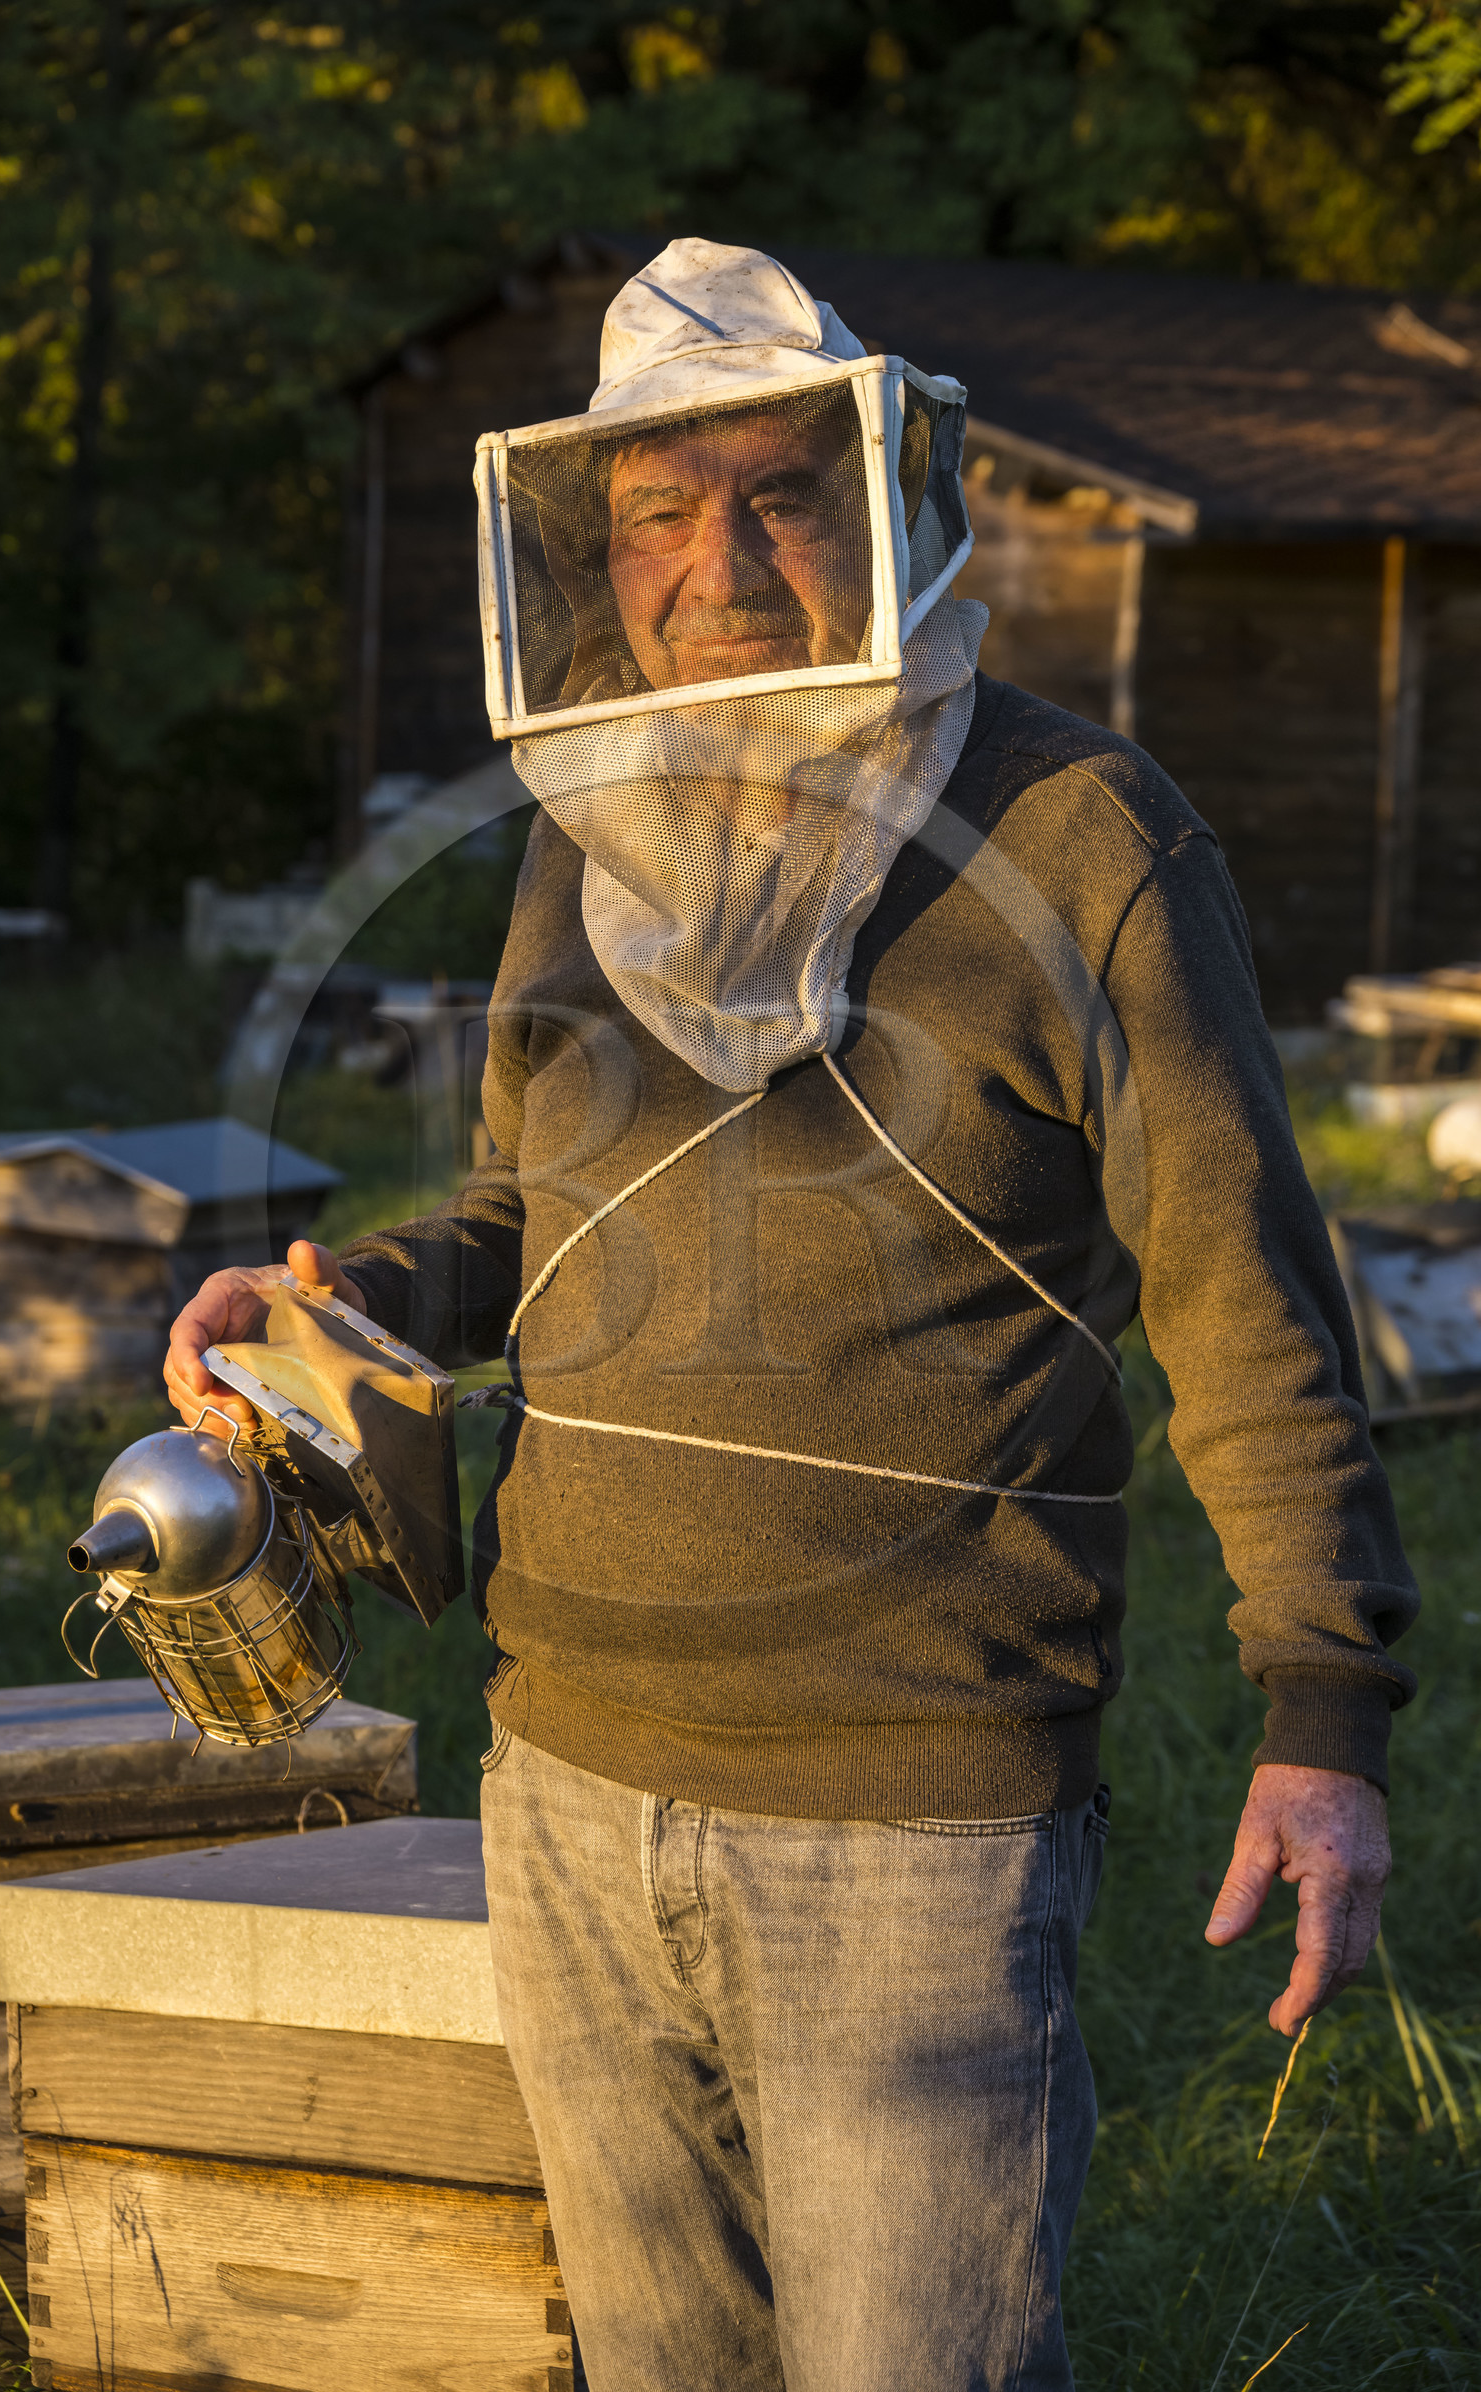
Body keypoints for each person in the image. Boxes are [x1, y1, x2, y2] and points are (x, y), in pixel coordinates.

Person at [166, 240, 1417, 2390]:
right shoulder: (591, 820)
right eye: (656, 511)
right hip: (559, 1768)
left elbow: (1242, 1298)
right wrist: (350, 1291)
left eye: (775, 493)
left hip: (911, 1812)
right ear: (588, 553)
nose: (714, 560)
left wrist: (1321, 1717)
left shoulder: (1078, 828)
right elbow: (518, 1201)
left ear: (886, 499)